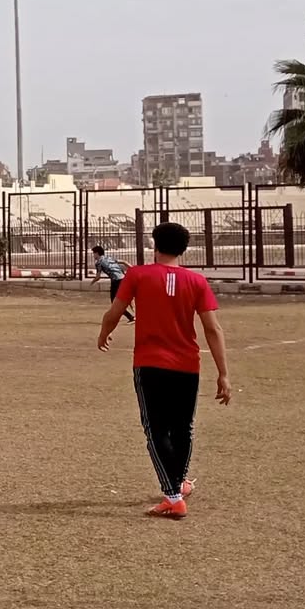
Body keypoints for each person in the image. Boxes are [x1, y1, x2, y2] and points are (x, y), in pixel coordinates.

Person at [97, 221, 232, 518]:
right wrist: (223, 373)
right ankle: (179, 483)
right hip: (187, 365)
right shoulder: (196, 281)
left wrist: (104, 332)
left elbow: (115, 312)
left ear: (154, 245)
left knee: (156, 429)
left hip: (150, 364)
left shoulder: (138, 275)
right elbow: (213, 329)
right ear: (184, 249)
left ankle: (172, 497)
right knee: (183, 427)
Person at [94, 244, 132, 323]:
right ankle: (131, 316)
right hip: (123, 278)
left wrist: (92, 283)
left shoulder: (98, 263)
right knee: (122, 300)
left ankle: (131, 317)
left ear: (97, 253)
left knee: (114, 302)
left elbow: (98, 277)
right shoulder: (109, 258)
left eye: (94, 253)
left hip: (116, 281)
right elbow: (124, 262)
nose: (93, 255)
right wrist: (134, 269)